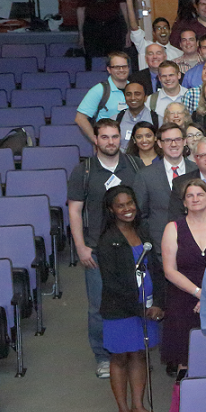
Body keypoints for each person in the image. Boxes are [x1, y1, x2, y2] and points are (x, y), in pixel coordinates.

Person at [71, 120, 148, 378]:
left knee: (135, 297)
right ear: (95, 139)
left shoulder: (134, 165)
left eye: (115, 136)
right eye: (104, 137)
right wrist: (80, 246)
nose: (110, 142)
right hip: (96, 248)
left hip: (132, 247)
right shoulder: (84, 170)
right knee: (98, 305)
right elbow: (75, 210)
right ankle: (103, 356)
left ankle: (136, 349)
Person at [98, 185, 167, 412]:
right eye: (120, 205)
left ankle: (138, 406)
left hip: (147, 307)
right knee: (120, 357)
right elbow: (113, 283)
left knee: (139, 354)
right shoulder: (108, 241)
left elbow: (156, 268)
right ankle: (123, 411)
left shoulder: (142, 230)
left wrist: (158, 302)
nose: (127, 209)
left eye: (130, 203)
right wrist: (140, 309)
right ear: (111, 209)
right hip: (121, 310)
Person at [161, 179, 206, 372]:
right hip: (183, 299)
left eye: (200, 194)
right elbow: (169, 270)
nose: (195, 199)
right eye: (189, 196)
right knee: (186, 360)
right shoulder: (172, 228)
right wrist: (200, 293)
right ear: (183, 202)